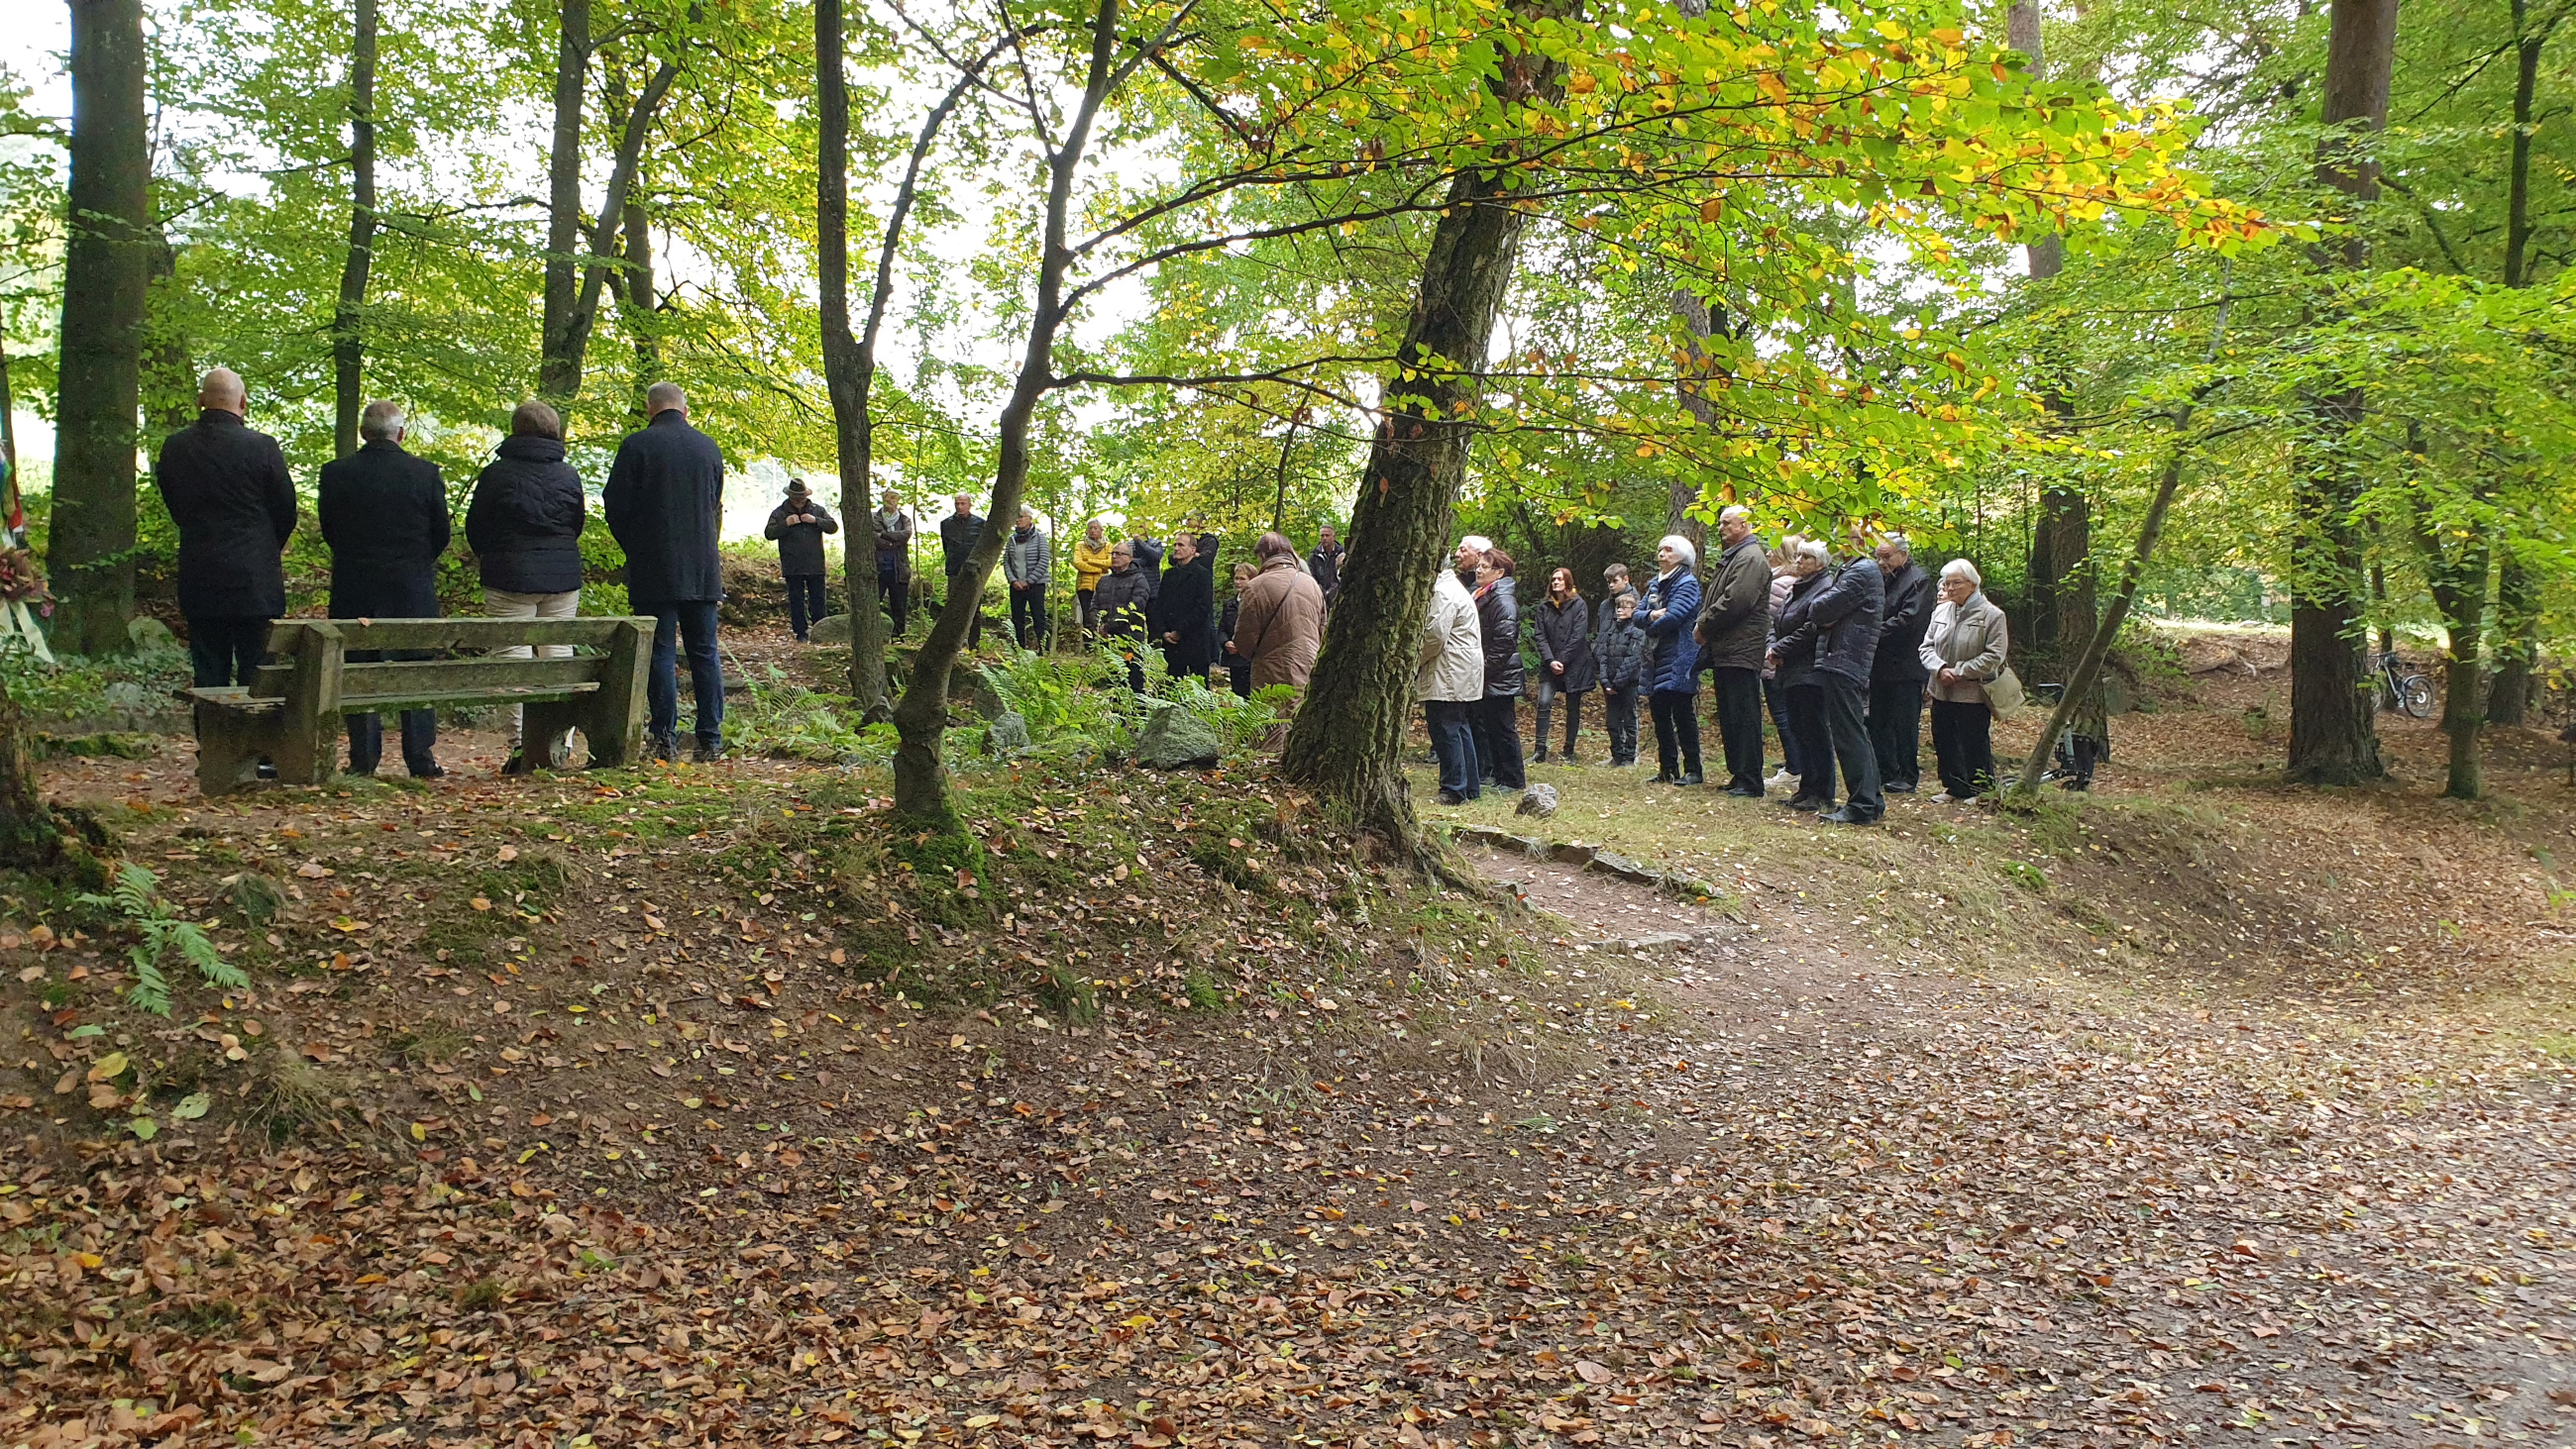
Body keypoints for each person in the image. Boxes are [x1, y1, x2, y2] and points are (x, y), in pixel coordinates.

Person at [317, 400, 449, 778]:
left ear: (363, 433)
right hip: (412, 590)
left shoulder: (336, 474)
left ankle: (363, 759)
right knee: (416, 671)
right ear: (401, 433)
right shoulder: (425, 474)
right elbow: (440, 533)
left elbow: (330, 530)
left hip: (354, 588)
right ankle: (420, 758)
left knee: (357, 670)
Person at [603, 381, 728, 763]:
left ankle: (663, 739)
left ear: (649, 408)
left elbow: (615, 505)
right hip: (702, 567)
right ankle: (710, 739)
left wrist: (636, 547)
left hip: (653, 566)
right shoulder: (708, 447)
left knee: (660, 651)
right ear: (685, 410)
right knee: (704, 652)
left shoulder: (636, 446)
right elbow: (714, 503)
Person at [465, 399, 588, 774]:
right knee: (558, 652)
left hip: (508, 575)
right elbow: (576, 524)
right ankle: (558, 742)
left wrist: (494, 554)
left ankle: (521, 745)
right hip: (561, 576)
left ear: (515, 430)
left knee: (512, 655)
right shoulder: (568, 475)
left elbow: (476, 527)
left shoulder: (495, 475)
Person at [157, 367, 296, 692]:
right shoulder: (263, 447)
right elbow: (286, 510)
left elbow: (175, 505)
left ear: (200, 401)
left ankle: (211, 727)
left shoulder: (176, 447)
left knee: (208, 674)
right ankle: (256, 728)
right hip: (256, 582)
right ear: (243, 403)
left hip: (201, 576)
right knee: (259, 678)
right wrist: (265, 548)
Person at [1799, 542, 1885, 825]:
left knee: (1849, 734)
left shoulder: (1861, 571)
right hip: (1845, 658)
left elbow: (1819, 608)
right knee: (1855, 730)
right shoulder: (1855, 570)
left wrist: (1826, 615)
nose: (1837, 542)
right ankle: (1871, 800)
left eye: (1845, 537)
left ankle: (1861, 805)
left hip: (1845, 658)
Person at [1693, 505, 1772, 796]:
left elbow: (1737, 600)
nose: (1721, 528)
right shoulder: (1736, 557)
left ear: (1744, 525)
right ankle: (1739, 774)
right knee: (1731, 714)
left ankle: (1750, 779)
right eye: (1720, 522)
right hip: (1728, 648)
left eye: (1727, 523)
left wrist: (1704, 625)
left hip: (1742, 648)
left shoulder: (1750, 558)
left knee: (1743, 714)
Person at [1920, 559, 2010, 801]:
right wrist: (1939, 669)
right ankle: (1954, 787)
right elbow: (1926, 647)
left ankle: (1981, 790)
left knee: (1973, 741)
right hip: (1941, 689)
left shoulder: (1992, 615)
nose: (1950, 588)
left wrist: (1959, 672)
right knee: (1944, 739)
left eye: (1956, 583)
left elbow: (1994, 655)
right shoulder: (1941, 611)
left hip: (1973, 692)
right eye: (1947, 583)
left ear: (1973, 584)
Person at [1767, 540, 1833, 809]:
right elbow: (1777, 622)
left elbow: (1812, 628)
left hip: (1810, 669)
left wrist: (1780, 648)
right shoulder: (1798, 587)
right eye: (1798, 556)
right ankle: (1806, 789)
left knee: (1815, 730)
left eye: (1806, 557)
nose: (1799, 561)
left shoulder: (1825, 587)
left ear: (1820, 563)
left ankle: (1822, 792)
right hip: (1789, 668)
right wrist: (1773, 646)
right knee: (1799, 729)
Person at [1869, 533, 1934, 793]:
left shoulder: (1918, 580)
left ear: (1903, 555)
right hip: (1880, 662)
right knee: (1878, 720)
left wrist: (1873, 632)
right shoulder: (1881, 579)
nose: (1881, 562)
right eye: (1878, 557)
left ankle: (1907, 775)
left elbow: (1909, 619)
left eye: (1886, 557)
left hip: (1906, 664)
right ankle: (1886, 770)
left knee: (1904, 723)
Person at [1418, 553, 1485, 804]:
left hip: (1448, 669)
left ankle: (1454, 789)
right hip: (1458, 668)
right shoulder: (1452, 587)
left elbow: (1434, 635)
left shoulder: (1442, 591)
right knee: (1458, 726)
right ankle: (1470, 787)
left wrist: (1414, 660)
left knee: (1445, 728)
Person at [1641, 535, 1703, 785]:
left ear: (1682, 556)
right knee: (1660, 714)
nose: (1661, 554)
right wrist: (1651, 616)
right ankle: (1667, 769)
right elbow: (1636, 614)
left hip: (1680, 655)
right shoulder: (1655, 584)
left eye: (1668, 550)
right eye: (1660, 549)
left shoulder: (1687, 583)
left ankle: (1693, 770)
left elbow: (1675, 616)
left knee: (1682, 714)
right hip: (1656, 657)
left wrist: (1650, 623)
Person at [1234, 531, 1327, 691]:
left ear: (1263, 556)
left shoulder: (1255, 586)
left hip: (1271, 672)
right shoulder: (1311, 583)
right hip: (1309, 666)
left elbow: (1244, 639)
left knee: (1274, 707)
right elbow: (1323, 628)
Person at [1470, 546, 1527, 791]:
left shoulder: (1502, 600)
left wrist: (1484, 669)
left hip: (1500, 675)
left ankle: (1514, 780)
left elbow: (1505, 642)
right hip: (1491, 674)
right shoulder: (1484, 595)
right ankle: (1499, 776)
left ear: (1499, 572)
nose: (1478, 570)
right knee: (1491, 727)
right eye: (1478, 566)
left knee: (1504, 728)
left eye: (1484, 566)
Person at [1530, 567, 1596, 764]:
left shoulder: (1579, 604)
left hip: (1574, 664)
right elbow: (1539, 635)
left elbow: (1578, 635)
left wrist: (1562, 660)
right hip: (1549, 663)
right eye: (1553, 579)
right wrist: (1550, 660)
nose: (1556, 582)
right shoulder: (1544, 607)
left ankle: (1569, 749)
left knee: (1573, 706)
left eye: (1560, 579)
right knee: (1544, 702)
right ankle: (1539, 750)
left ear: (1568, 581)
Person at [764, 479, 839, 643]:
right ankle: (801, 633)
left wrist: (816, 521)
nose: (799, 501)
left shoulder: (817, 510)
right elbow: (769, 533)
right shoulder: (780, 512)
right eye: (795, 498)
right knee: (796, 600)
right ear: (790, 497)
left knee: (818, 600)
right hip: (792, 564)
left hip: (815, 563)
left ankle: (820, 631)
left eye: (801, 498)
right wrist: (785, 524)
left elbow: (833, 527)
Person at [1762, 538, 1808, 791]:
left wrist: (1772, 651)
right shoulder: (1797, 583)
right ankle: (1795, 763)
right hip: (1784, 657)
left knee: (1782, 714)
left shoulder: (1778, 584)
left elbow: (1769, 623)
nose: (1768, 553)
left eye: (1773, 549)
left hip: (1774, 659)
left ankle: (1794, 768)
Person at [1151, 531, 1217, 680]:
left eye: (1181, 545)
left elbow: (1203, 608)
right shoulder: (1168, 575)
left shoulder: (1203, 575)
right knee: (1173, 684)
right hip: (1171, 641)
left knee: (1199, 685)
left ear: (1193, 550)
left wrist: (1179, 631)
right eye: (1175, 545)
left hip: (1196, 639)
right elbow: (1159, 605)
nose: (1176, 548)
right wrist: (1164, 631)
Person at [1593, 591, 1647, 768]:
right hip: (1610, 685)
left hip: (1629, 684)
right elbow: (1603, 656)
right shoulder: (1611, 630)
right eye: (1618, 607)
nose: (1620, 610)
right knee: (1612, 722)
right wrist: (1605, 681)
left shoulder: (1638, 631)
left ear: (1634, 610)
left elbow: (1633, 659)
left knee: (1629, 720)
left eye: (1624, 607)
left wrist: (1616, 682)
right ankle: (1616, 755)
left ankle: (1629, 757)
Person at [1094, 542, 1153, 690]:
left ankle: (1137, 705)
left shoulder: (1139, 580)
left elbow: (1136, 608)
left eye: (1119, 554)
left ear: (1130, 558)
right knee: (1113, 681)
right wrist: (1098, 625)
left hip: (1130, 640)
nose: (1114, 557)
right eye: (1113, 554)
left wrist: (1109, 626)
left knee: (1133, 678)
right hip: (1108, 640)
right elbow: (1094, 606)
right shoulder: (1104, 580)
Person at [939, 493, 986, 647]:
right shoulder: (946, 524)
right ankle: (952, 643)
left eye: (963, 503)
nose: (960, 506)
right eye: (957, 503)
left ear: (969, 505)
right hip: (954, 570)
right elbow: (946, 546)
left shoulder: (980, 524)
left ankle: (974, 643)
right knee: (953, 608)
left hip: (973, 572)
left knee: (974, 608)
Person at [1003, 506, 1051, 649]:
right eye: (1016, 517)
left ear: (1030, 519)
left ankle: (1044, 649)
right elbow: (1006, 562)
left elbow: (1044, 561)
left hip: (1036, 585)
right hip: (1016, 585)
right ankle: (1019, 648)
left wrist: (1029, 581)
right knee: (1017, 618)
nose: (1017, 520)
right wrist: (1013, 580)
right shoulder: (1012, 539)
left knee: (1039, 617)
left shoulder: (1040, 538)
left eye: (1021, 516)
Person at [874, 488, 914, 639]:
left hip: (899, 569)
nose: (890, 501)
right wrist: (893, 541)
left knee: (899, 606)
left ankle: (899, 636)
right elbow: (874, 538)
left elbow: (906, 534)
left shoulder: (904, 519)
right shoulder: (873, 518)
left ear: (898, 501)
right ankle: (875, 635)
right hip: (878, 568)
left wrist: (884, 535)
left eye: (893, 498)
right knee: (874, 603)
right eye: (887, 498)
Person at [1220, 561, 1256, 697]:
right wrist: (1226, 642)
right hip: (1233, 658)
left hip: (1251, 659)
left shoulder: (1258, 603)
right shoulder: (1229, 604)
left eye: (1242, 579)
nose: (1238, 582)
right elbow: (1221, 629)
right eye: (1236, 578)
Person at [1073, 520, 1114, 637]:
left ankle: (1102, 642)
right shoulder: (1080, 545)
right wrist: (1099, 569)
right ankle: (1088, 644)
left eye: (1096, 528)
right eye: (1090, 528)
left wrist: (1090, 560)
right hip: (1084, 587)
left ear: (1101, 530)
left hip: (1102, 587)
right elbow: (1078, 563)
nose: (1093, 530)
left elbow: (1110, 562)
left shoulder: (1108, 546)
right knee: (1087, 617)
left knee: (1103, 616)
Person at [1308, 525, 1345, 607]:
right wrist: (1322, 592)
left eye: (1327, 535)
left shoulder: (1342, 555)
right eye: (1322, 536)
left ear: (1334, 537)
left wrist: (1332, 591)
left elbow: (1343, 577)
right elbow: (1311, 577)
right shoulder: (1314, 556)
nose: (1324, 538)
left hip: (1338, 598)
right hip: (1319, 597)